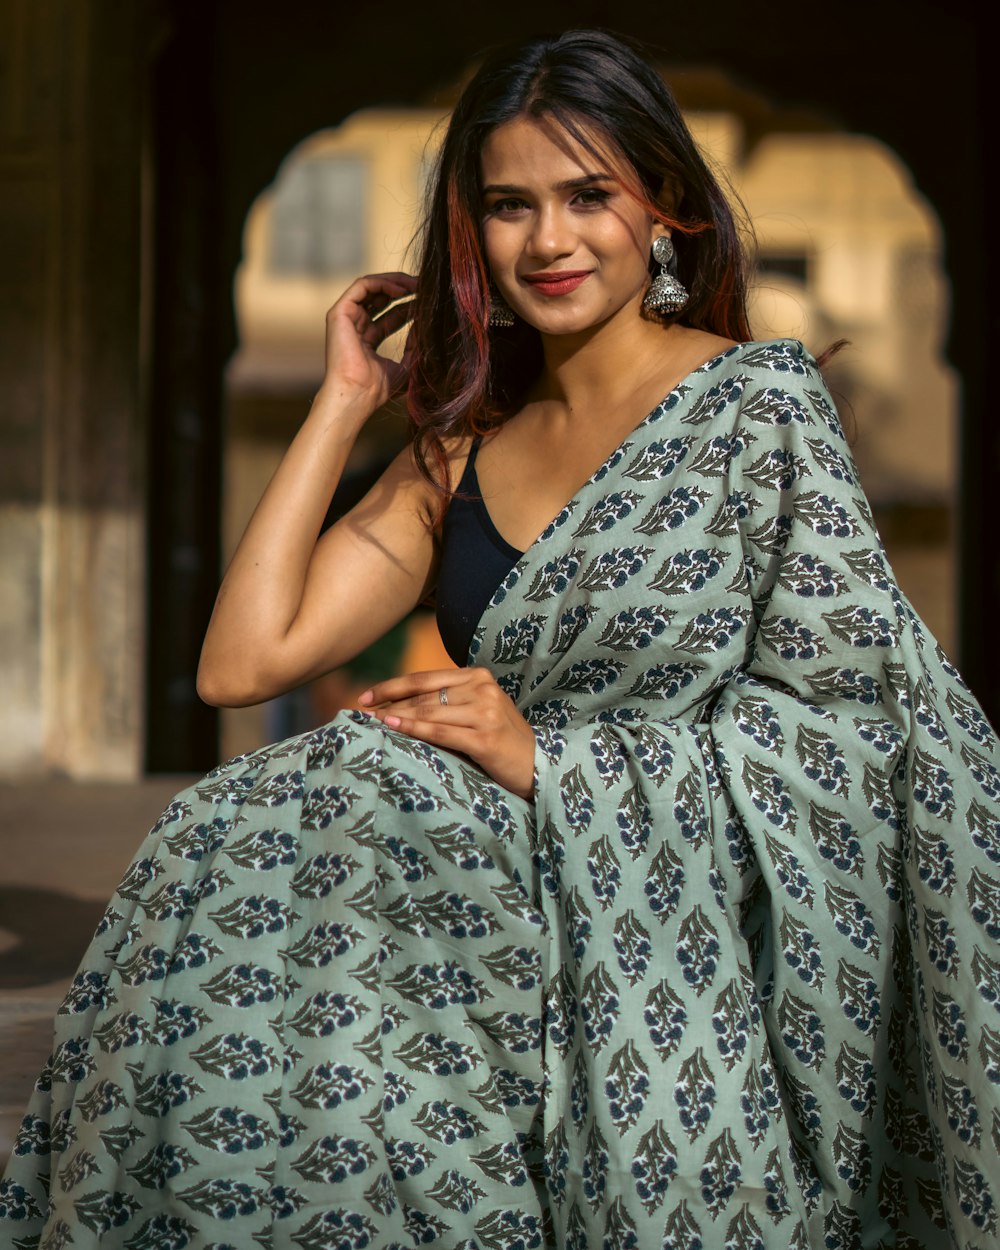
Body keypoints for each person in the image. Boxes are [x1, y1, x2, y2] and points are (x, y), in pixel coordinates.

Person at [2, 28, 998, 1250]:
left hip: (643, 906)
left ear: (666, 208)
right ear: (472, 229)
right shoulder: (458, 452)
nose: (550, 241)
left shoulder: (759, 411)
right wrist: (344, 401)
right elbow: (240, 665)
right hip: (458, 866)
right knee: (239, 821)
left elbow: (855, 737)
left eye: (589, 195)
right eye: (510, 205)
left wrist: (555, 764)